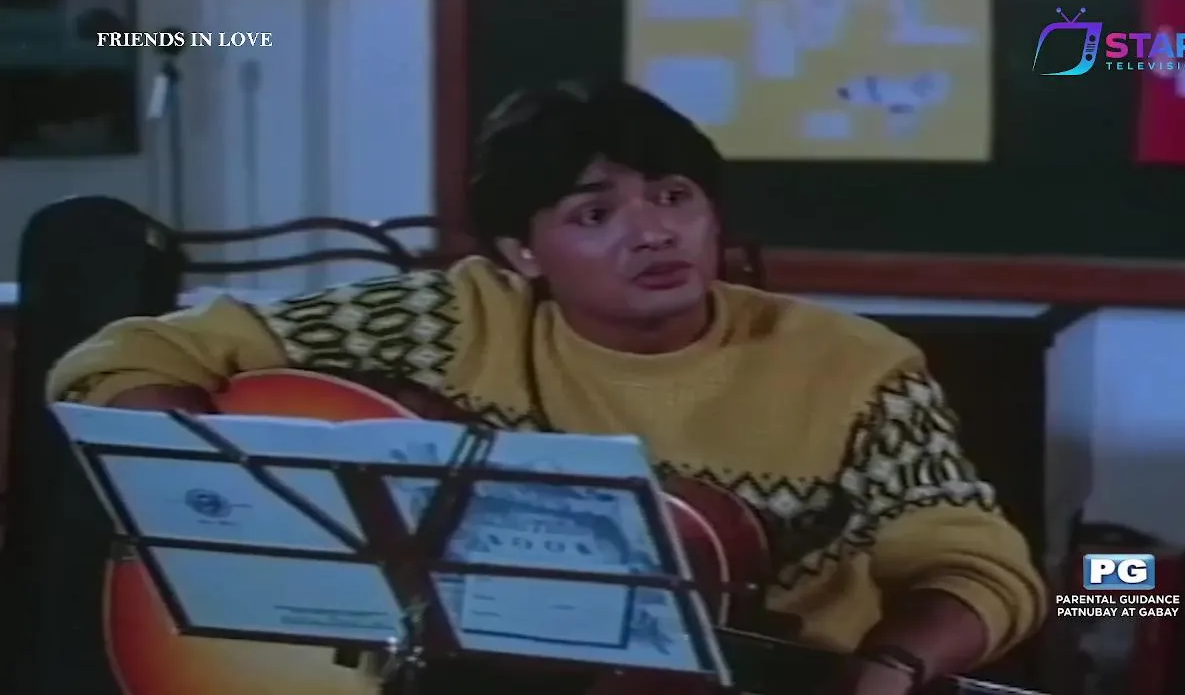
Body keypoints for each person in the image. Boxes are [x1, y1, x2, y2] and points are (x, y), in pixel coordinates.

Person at [47, 80, 1045, 694]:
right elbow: (120, 356)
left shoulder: (856, 368)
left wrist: (892, 664)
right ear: (520, 252)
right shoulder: (451, 317)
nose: (652, 232)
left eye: (674, 197)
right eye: (594, 213)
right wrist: (231, 487)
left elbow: (980, 571)